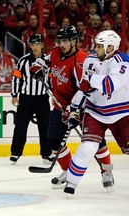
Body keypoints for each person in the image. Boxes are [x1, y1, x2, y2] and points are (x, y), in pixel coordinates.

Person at [31, 25, 113, 189]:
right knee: (54, 141)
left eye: (66, 41)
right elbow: (45, 60)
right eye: (60, 40)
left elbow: (86, 89)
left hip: (84, 108)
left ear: (74, 41)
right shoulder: (55, 52)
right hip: (60, 106)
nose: (62, 44)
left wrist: (74, 110)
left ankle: (106, 171)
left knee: (96, 141)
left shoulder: (81, 60)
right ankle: (68, 171)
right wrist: (38, 66)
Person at [64, 30, 127, 195]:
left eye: (100, 46)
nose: (95, 48)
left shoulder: (123, 62)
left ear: (110, 47)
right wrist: (74, 109)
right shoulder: (90, 60)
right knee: (87, 147)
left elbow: (109, 85)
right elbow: (84, 89)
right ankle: (71, 184)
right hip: (95, 110)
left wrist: (90, 80)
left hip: (121, 113)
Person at [10, 34, 53, 165]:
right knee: (20, 126)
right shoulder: (23, 61)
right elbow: (16, 78)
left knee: (45, 127)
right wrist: (14, 95)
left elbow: (51, 79)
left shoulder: (48, 61)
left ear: (42, 45)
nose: (35, 47)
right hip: (26, 99)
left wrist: (53, 96)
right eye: (33, 44)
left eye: (37, 44)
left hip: (42, 98)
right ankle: (16, 153)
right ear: (30, 45)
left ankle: (46, 154)